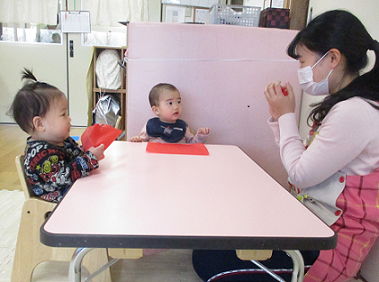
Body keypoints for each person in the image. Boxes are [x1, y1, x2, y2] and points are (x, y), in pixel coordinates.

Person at [192, 10, 379, 282]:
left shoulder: (354, 112)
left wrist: (286, 116)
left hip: (328, 246)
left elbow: (299, 174)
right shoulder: (349, 107)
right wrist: (280, 117)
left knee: (209, 261)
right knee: (207, 251)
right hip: (311, 226)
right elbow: (299, 163)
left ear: (333, 58)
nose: (300, 69)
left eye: (303, 60)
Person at [8, 69, 105, 202]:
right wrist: (89, 159)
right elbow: (62, 178)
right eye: (63, 114)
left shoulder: (60, 140)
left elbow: (74, 155)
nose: (69, 119)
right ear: (40, 124)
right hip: (58, 201)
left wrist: (87, 151)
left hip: (73, 190)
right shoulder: (40, 154)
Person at [129, 83, 210, 143]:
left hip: (178, 161)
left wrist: (200, 136)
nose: (176, 107)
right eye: (170, 103)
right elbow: (142, 143)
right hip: (156, 161)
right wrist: (137, 140)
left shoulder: (182, 126)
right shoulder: (151, 125)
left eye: (178, 102)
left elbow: (193, 144)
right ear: (156, 110)